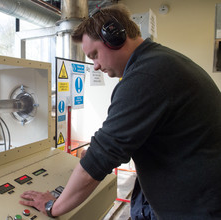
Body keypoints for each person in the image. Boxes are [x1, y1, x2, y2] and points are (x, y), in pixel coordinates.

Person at [20, 4, 221, 219]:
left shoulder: (146, 77)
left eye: (95, 54)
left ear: (114, 37)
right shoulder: (162, 61)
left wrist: (53, 206)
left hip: (196, 209)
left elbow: (100, 159)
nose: (95, 66)